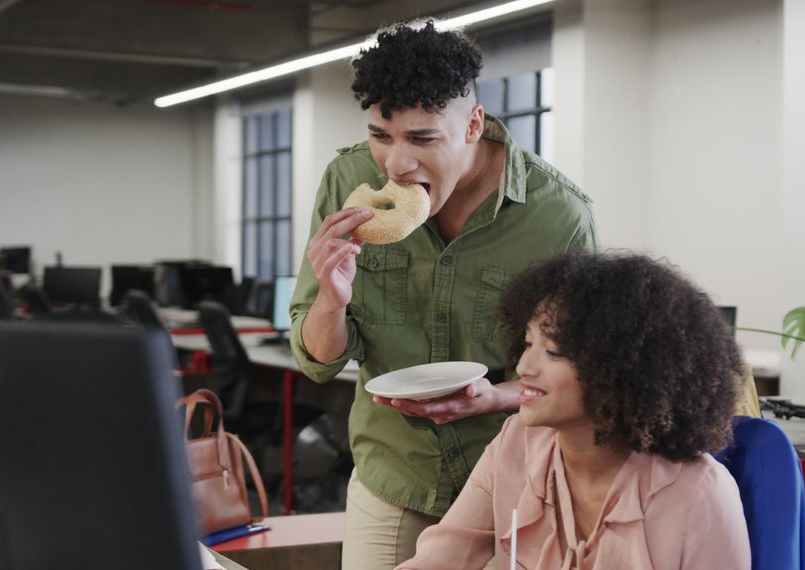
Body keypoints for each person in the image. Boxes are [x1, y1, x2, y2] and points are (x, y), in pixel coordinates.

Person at [288, 20, 599, 569]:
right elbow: (318, 361)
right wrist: (330, 301)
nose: (396, 165)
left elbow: (583, 369)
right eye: (381, 136)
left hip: (519, 480)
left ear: (474, 124)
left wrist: (496, 397)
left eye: (422, 138)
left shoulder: (558, 215)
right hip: (396, 475)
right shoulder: (347, 181)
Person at [398, 252, 752, 569]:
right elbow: (439, 559)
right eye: (527, 343)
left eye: (552, 350)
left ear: (619, 366)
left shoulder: (698, 492)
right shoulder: (517, 442)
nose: (524, 366)